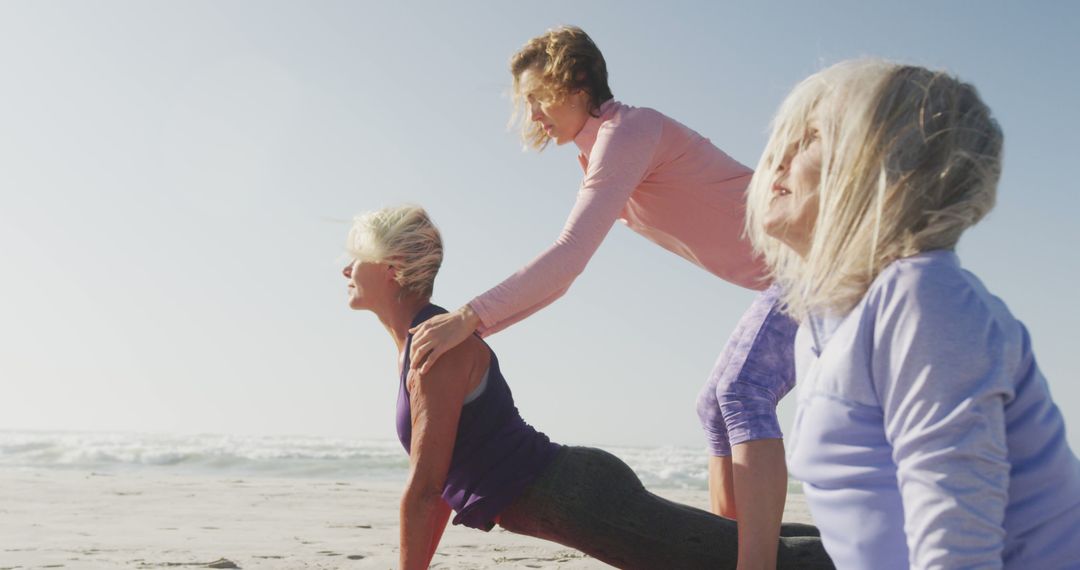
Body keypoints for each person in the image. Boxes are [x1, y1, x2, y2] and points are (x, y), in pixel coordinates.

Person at [405, 26, 795, 568]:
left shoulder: (629, 132)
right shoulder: (598, 153)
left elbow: (569, 253)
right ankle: (730, 548)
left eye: (539, 96)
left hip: (823, 263)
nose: (534, 114)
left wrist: (469, 317)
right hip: (789, 279)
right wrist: (474, 326)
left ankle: (757, 564)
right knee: (714, 407)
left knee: (741, 390)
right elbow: (566, 277)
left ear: (578, 80)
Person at [342, 205, 831, 569]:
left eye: (354, 258)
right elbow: (440, 489)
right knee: (737, 544)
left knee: (746, 557)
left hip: (580, 498)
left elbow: (425, 491)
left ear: (391, 269)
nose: (346, 270)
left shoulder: (434, 349)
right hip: (576, 493)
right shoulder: (424, 343)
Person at [744, 59, 1080, 568]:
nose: (781, 155)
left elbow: (958, 548)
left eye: (812, 136)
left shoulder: (922, 296)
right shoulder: (823, 323)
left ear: (888, 168)